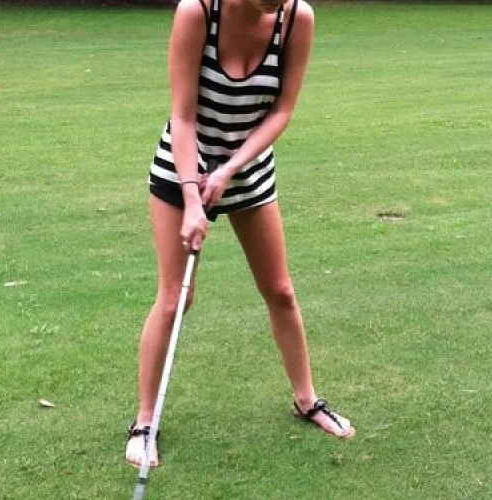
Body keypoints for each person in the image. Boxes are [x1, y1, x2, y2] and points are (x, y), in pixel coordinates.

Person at [125, 0, 355, 468]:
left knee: (280, 290)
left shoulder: (296, 19)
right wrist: (192, 198)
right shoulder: (197, 12)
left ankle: (306, 399)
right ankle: (145, 422)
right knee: (175, 298)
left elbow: (282, 111)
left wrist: (230, 168)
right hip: (182, 169)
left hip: (246, 170)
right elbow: (183, 116)